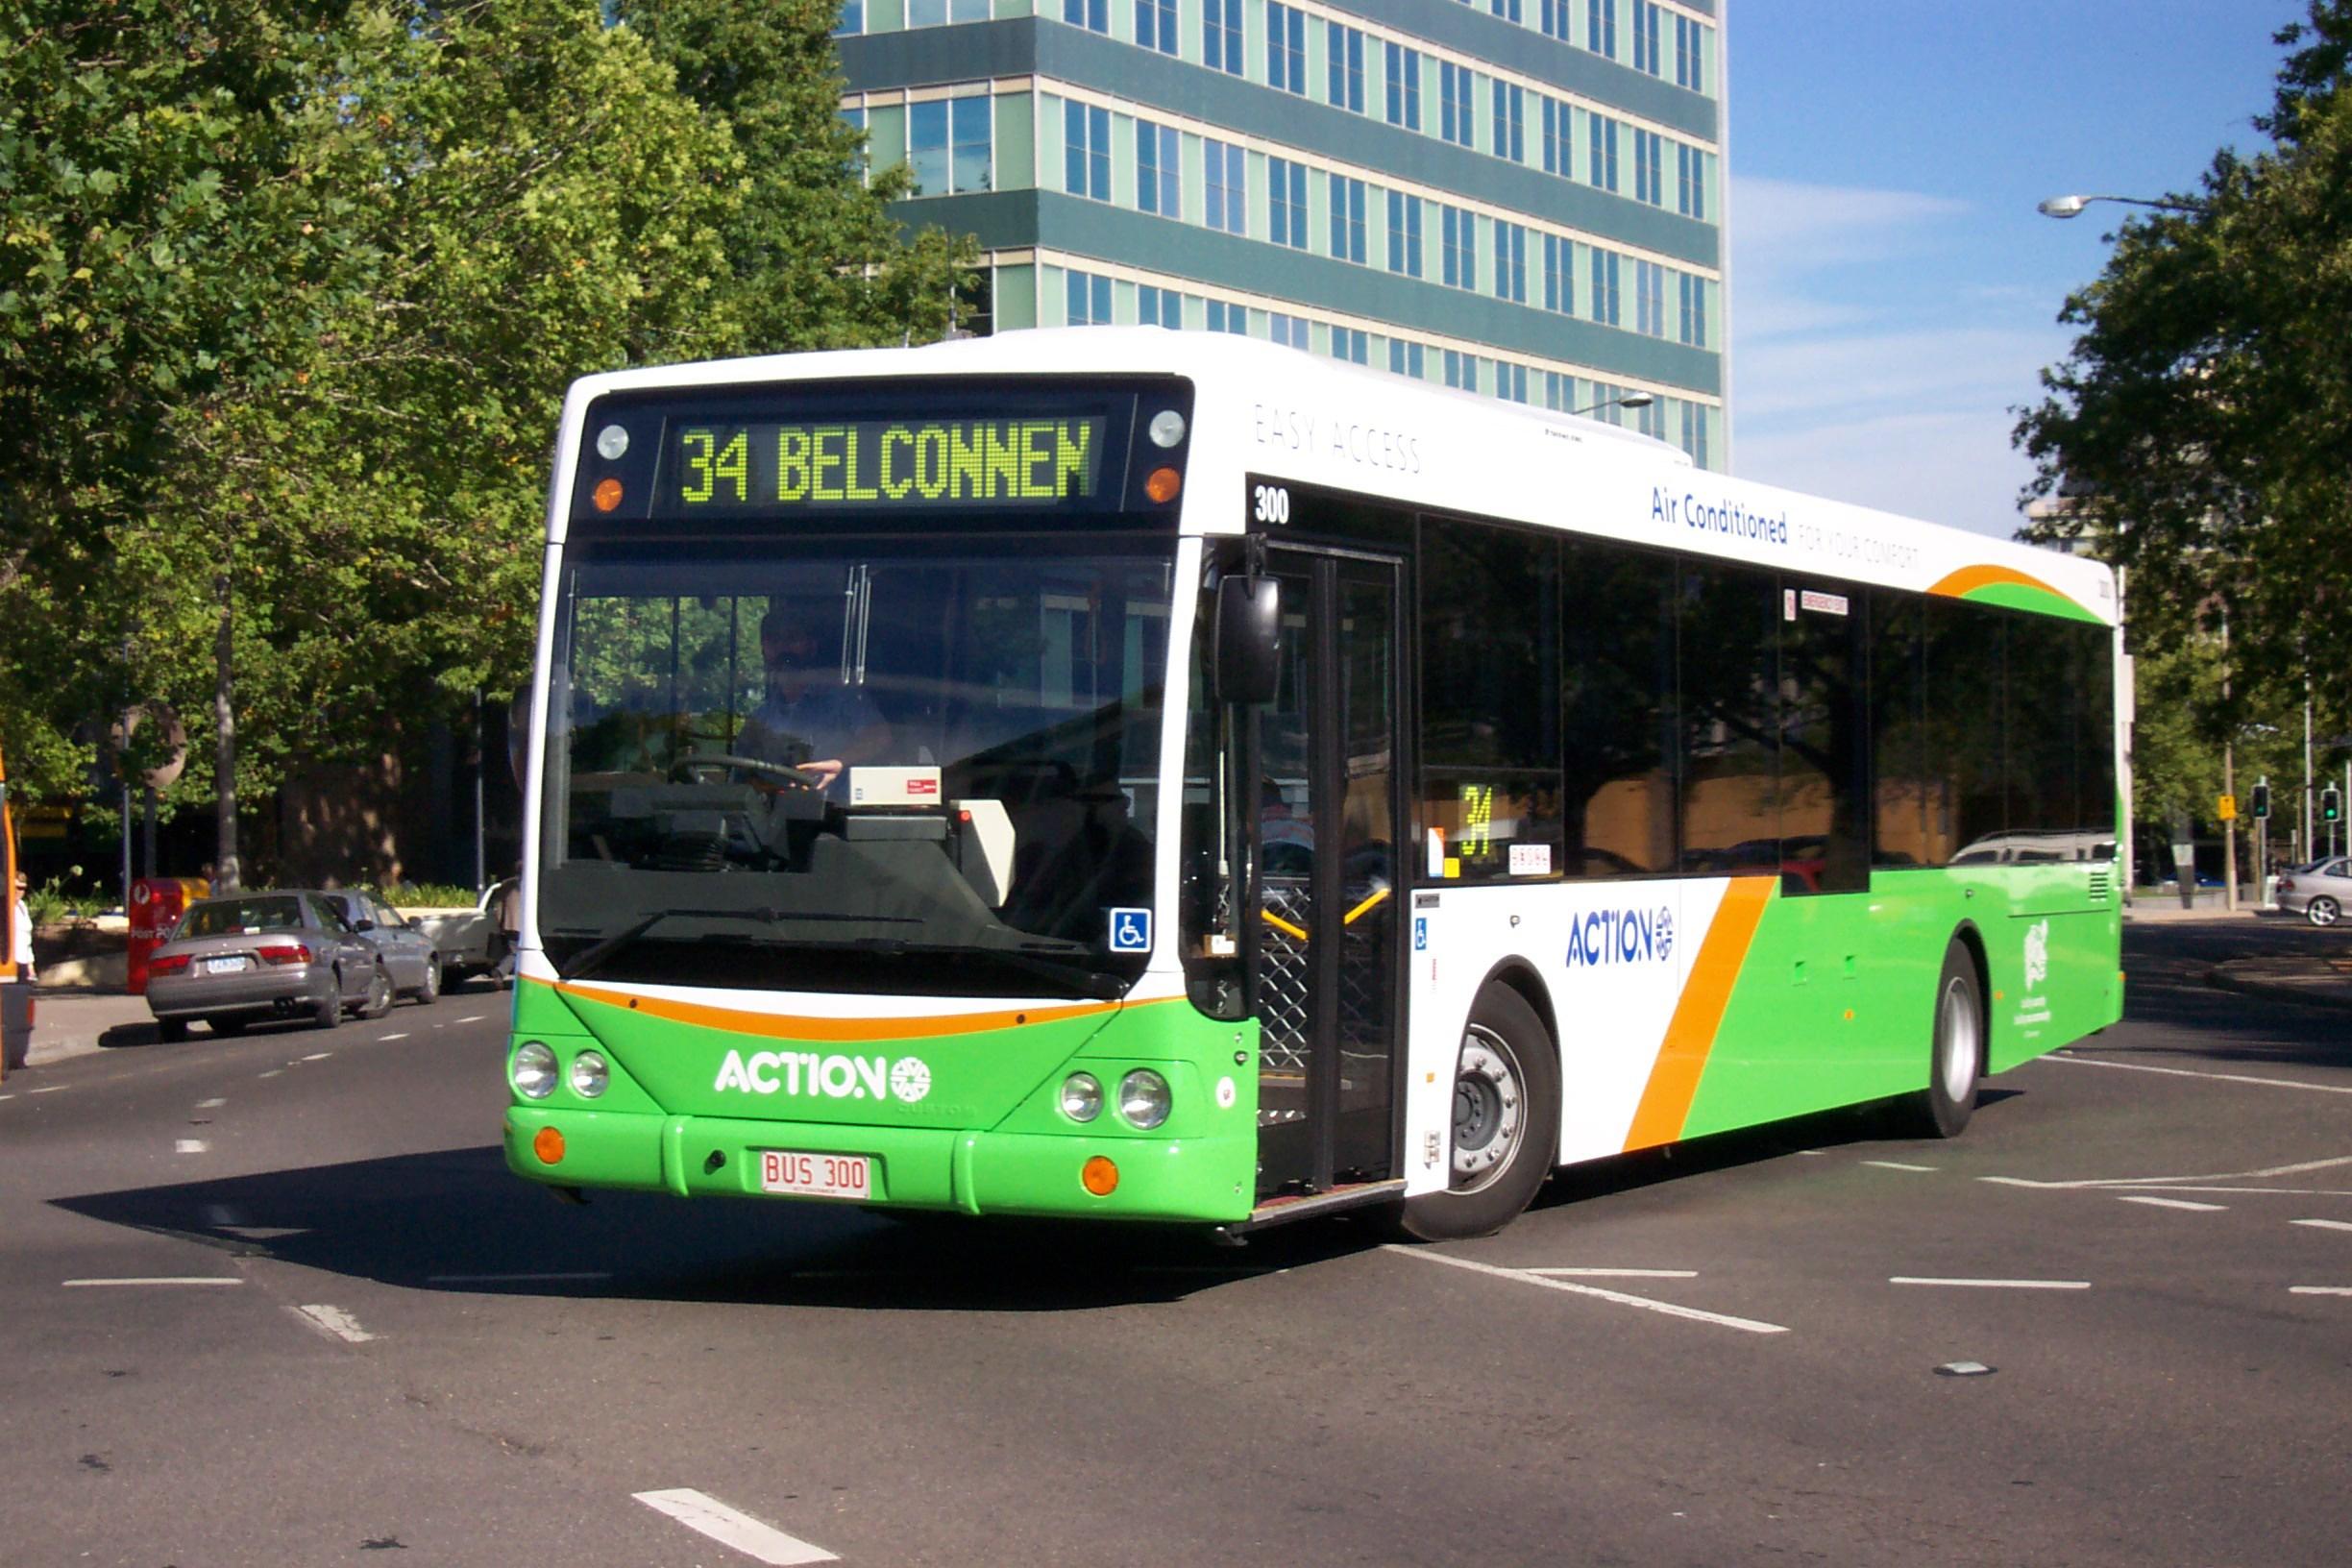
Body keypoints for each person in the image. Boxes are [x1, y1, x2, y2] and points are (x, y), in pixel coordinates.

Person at [739, 599, 892, 790]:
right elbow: (743, 774)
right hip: (776, 815)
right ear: (763, 648)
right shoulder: (761, 718)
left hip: (834, 811)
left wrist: (838, 763)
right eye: (773, 640)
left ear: (811, 646)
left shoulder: (843, 698)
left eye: (792, 639)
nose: (783, 648)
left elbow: (879, 736)